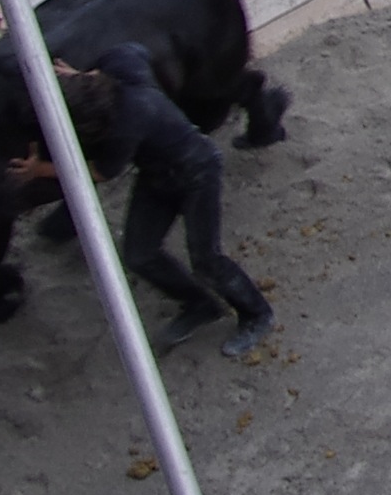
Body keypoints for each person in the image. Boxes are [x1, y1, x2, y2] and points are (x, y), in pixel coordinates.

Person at [73, 43, 272, 354]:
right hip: (157, 175)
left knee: (206, 259)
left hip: (197, 172)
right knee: (139, 254)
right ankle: (199, 304)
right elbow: (134, 49)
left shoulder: (126, 124)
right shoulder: (124, 69)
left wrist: (37, 170)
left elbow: (100, 172)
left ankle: (256, 313)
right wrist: (80, 81)